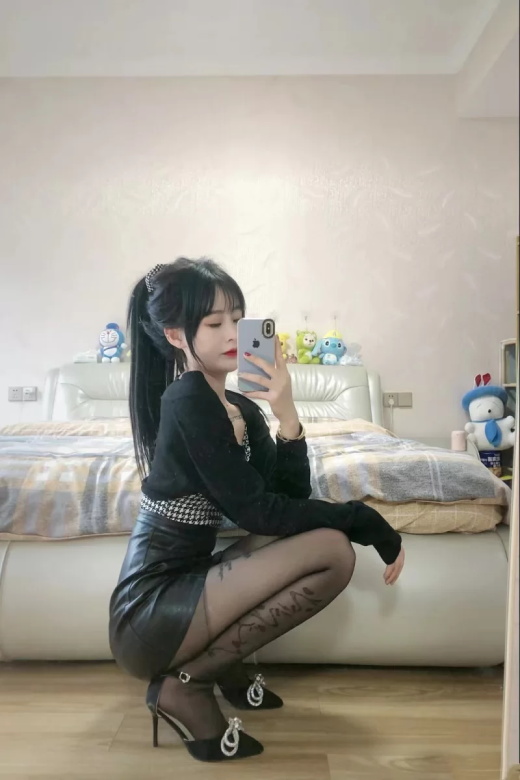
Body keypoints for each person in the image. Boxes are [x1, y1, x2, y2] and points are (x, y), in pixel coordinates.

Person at [109, 257, 405, 763]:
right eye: (214, 323)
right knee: (335, 552)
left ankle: (219, 666)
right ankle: (188, 683)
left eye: (238, 319)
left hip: (191, 587)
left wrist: (286, 413)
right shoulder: (186, 400)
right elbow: (257, 512)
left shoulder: (241, 407)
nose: (232, 333)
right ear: (177, 335)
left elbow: (286, 501)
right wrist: (363, 519)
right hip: (151, 612)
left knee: (314, 540)